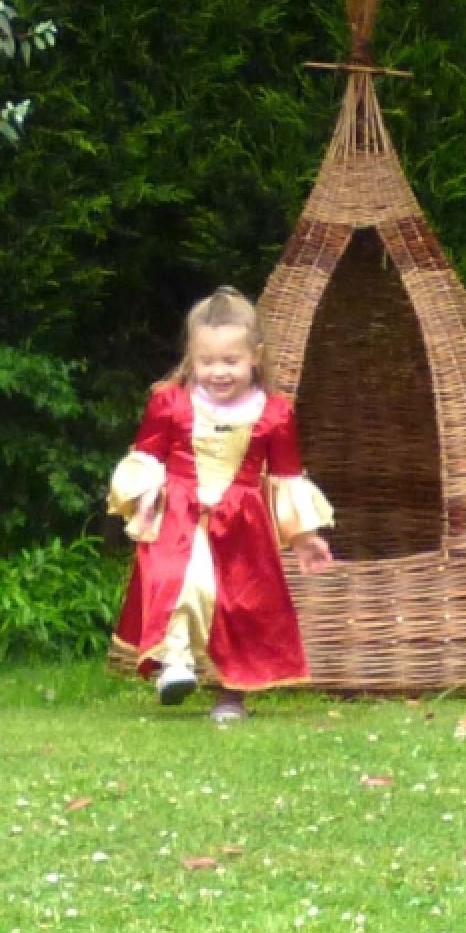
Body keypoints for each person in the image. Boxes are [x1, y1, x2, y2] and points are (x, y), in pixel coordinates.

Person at [107, 286, 334, 721]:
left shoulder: (275, 413)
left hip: (243, 524)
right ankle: (175, 662)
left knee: (241, 604)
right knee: (179, 581)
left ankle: (232, 695)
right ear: (191, 358)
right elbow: (147, 456)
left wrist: (304, 537)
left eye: (231, 361)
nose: (219, 372)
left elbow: (286, 478)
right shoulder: (170, 402)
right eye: (207, 362)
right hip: (178, 514)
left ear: (255, 357)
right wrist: (144, 496)